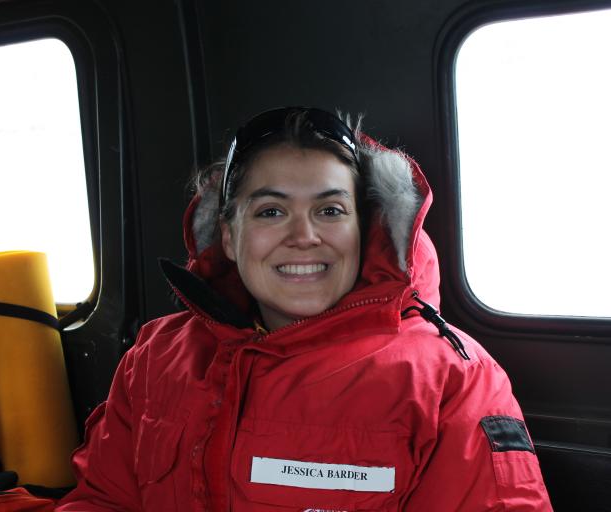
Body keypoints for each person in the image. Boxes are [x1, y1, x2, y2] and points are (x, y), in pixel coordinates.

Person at [56, 107, 553, 511]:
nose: (303, 237)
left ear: (366, 228)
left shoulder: (451, 379)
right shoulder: (157, 356)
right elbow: (102, 499)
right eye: (271, 211)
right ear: (229, 237)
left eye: (330, 210)